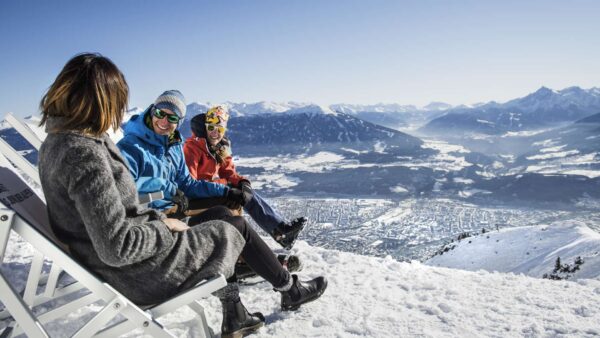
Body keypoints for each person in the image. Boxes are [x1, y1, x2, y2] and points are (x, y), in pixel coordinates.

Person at [37, 53, 327, 338]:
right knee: (233, 227)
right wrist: (164, 225)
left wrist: (224, 191)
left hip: (130, 259)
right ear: (102, 101)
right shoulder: (82, 154)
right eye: (116, 103)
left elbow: (127, 212)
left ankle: (239, 310)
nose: (116, 113)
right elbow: (116, 247)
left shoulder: (65, 143)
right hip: (136, 274)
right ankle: (290, 290)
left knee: (221, 216)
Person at [183, 106, 306, 249]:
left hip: (214, 190)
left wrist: (242, 183)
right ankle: (267, 239)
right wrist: (225, 187)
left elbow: (229, 173)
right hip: (197, 196)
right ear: (205, 127)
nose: (215, 133)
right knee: (236, 199)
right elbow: (191, 185)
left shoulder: (221, 147)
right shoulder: (192, 148)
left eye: (220, 129)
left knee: (245, 194)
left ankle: (279, 231)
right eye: (211, 128)